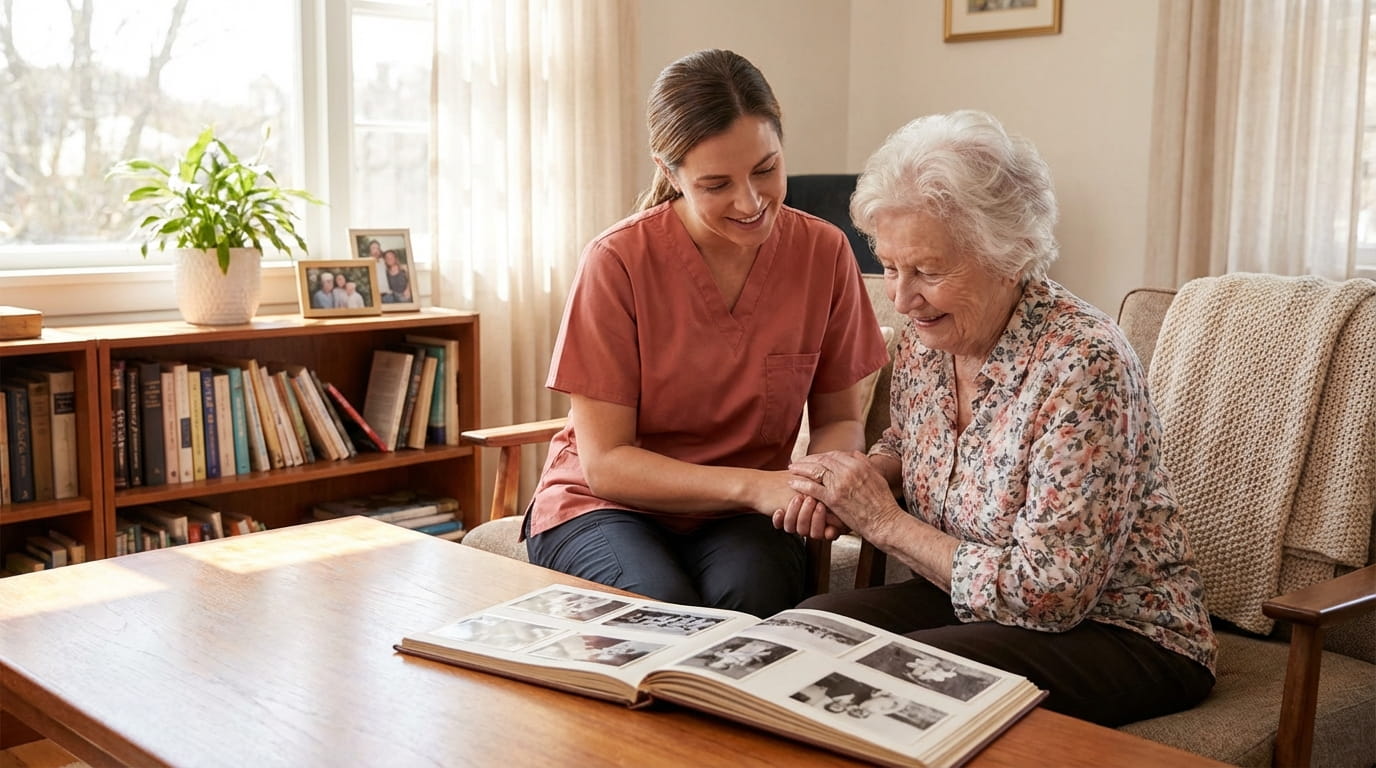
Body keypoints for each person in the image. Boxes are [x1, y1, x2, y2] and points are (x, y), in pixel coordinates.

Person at [779, 110, 1216, 726]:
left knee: (881, 684)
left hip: (1121, 632)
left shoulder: (1082, 363)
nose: (902, 299)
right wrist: (858, 478)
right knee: (794, 636)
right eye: (891, 266)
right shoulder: (930, 338)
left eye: (927, 271)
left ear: (1009, 256)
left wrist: (882, 522)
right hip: (971, 604)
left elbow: (1051, 593)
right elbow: (910, 439)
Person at [524, 48, 889, 618]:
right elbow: (607, 463)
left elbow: (839, 418)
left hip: (744, 521)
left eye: (766, 169)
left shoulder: (824, 252)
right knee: (660, 615)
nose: (751, 202)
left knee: (751, 608)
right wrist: (751, 486)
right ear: (670, 172)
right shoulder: (616, 261)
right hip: (603, 505)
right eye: (717, 183)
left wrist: (822, 484)